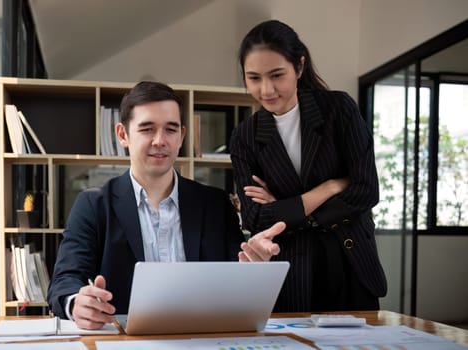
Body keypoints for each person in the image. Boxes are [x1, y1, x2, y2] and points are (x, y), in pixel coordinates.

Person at [47, 81, 285, 330]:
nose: (160, 141)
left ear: (181, 136)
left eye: (170, 130)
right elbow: (64, 281)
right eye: (147, 129)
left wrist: (254, 269)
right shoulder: (93, 205)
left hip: (203, 340)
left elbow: (236, 282)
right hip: (125, 342)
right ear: (123, 135)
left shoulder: (215, 205)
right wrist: (76, 304)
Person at [230, 20, 387, 312]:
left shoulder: (339, 109)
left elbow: (366, 190)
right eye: (253, 78)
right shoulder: (245, 137)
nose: (266, 89)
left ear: (299, 67)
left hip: (349, 262)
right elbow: (254, 218)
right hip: (290, 272)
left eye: (277, 75)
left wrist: (287, 208)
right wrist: (330, 186)